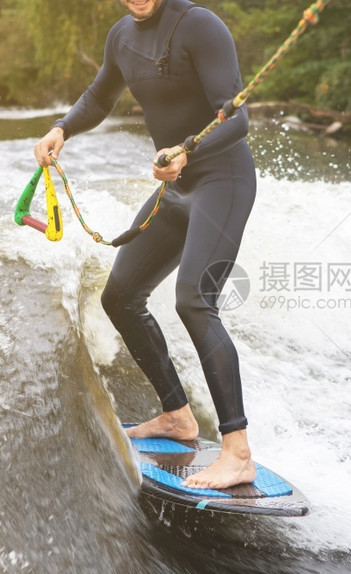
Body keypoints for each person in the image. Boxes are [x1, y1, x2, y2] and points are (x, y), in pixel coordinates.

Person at [33, 0, 257, 490]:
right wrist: (62, 127)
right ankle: (177, 416)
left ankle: (238, 452)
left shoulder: (200, 26)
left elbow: (237, 119)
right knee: (121, 295)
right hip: (175, 190)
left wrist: (187, 150)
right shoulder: (121, 36)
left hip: (224, 180)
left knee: (195, 302)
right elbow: (99, 95)